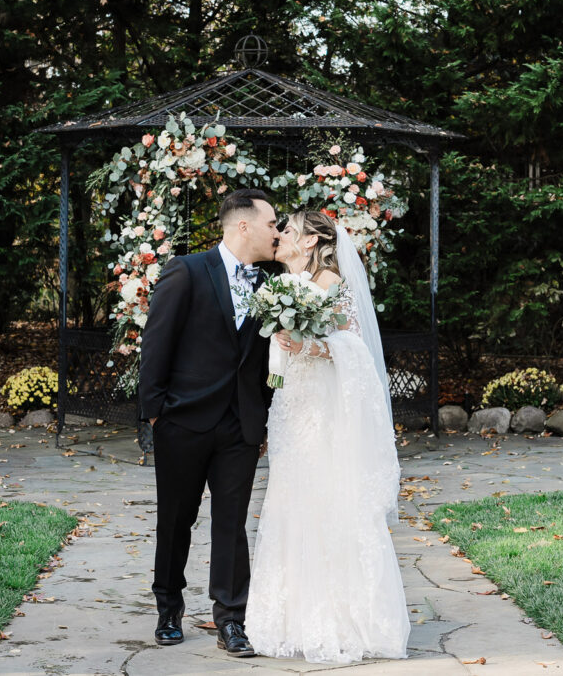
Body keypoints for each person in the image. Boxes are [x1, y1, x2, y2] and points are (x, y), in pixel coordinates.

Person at [245, 209, 410, 663]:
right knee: (288, 500)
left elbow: (351, 344)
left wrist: (307, 346)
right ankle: (288, 618)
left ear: (313, 241)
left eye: (290, 231)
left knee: (327, 500)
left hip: (322, 409)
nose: (280, 236)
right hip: (291, 405)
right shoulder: (280, 286)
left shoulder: (332, 283)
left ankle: (338, 619)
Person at [138, 188, 280, 657]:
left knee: (231, 523)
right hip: (182, 420)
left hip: (240, 425)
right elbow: (156, 344)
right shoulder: (187, 271)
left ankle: (231, 619)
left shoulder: (273, 287)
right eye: (271, 224)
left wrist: (260, 417)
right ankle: (168, 607)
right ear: (244, 226)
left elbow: (262, 360)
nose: (276, 233)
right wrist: (156, 413)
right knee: (176, 519)